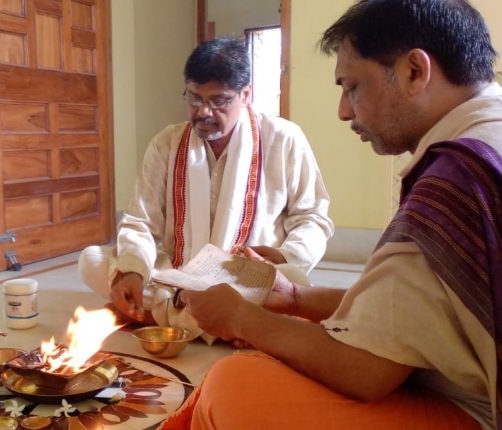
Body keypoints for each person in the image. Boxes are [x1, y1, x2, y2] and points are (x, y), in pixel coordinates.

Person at [159, 1, 502, 429]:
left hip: (476, 412)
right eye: (196, 98)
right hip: (194, 281)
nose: (344, 111)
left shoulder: (454, 178)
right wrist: (294, 297)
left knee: (234, 382)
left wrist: (241, 317)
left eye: (352, 87)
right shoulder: (169, 142)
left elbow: (367, 368)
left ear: (415, 71)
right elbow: (414, 314)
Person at [79, 37, 333, 327]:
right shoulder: (167, 143)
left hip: (246, 279)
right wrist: (133, 272)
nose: (203, 112)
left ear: (246, 95)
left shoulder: (284, 138)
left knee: (295, 280)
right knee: (92, 261)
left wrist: (286, 256)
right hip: (179, 276)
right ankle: (226, 324)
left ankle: (166, 316)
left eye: (219, 101)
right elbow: (139, 222)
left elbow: (313, 217)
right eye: (195, 98)